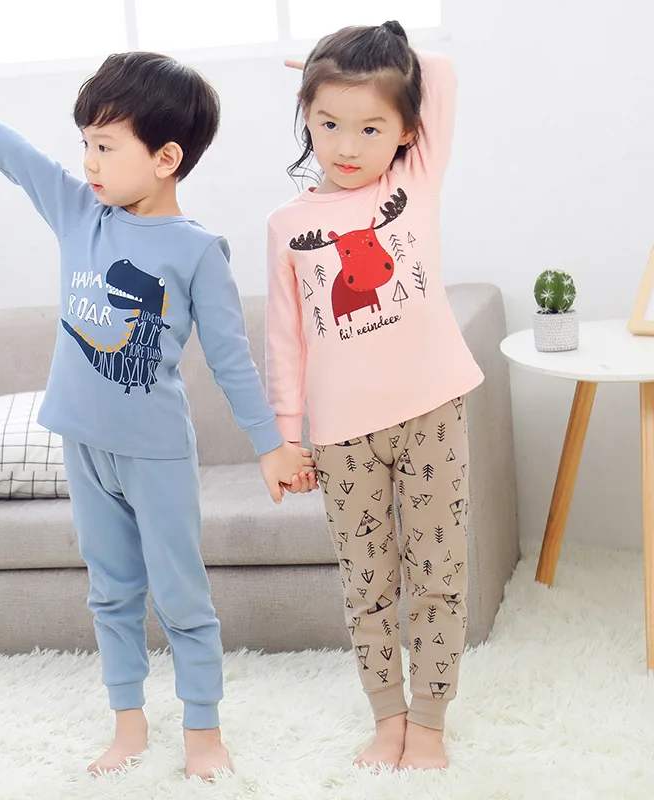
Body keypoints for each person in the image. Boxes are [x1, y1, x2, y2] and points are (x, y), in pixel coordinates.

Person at [0, 46, 315, 781]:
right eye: (85, 142)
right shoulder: (79, 213)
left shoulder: (197, 252)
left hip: (155, 455)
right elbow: (13, 153)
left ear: (166, 158)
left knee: (181, 597)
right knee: (111, 593)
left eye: (106, 146)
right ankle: (128, 727)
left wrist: (271, 444)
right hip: (82, 446)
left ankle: (204, 733)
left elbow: (231, 360)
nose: (88, 160)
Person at [265, 21, 484, 770]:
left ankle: (430, 724)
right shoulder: (288, 225)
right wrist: (286, 435)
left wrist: (372, 55)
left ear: (405, 131)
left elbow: (440, 71)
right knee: (368, 586)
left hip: (433, 410)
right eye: (327, 123)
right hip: (341, 434)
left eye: (370, 127)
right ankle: (387, 719)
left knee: (439, 577)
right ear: (306, 117)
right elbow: (286, 338)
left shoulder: (412, 183)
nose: (347, 145)